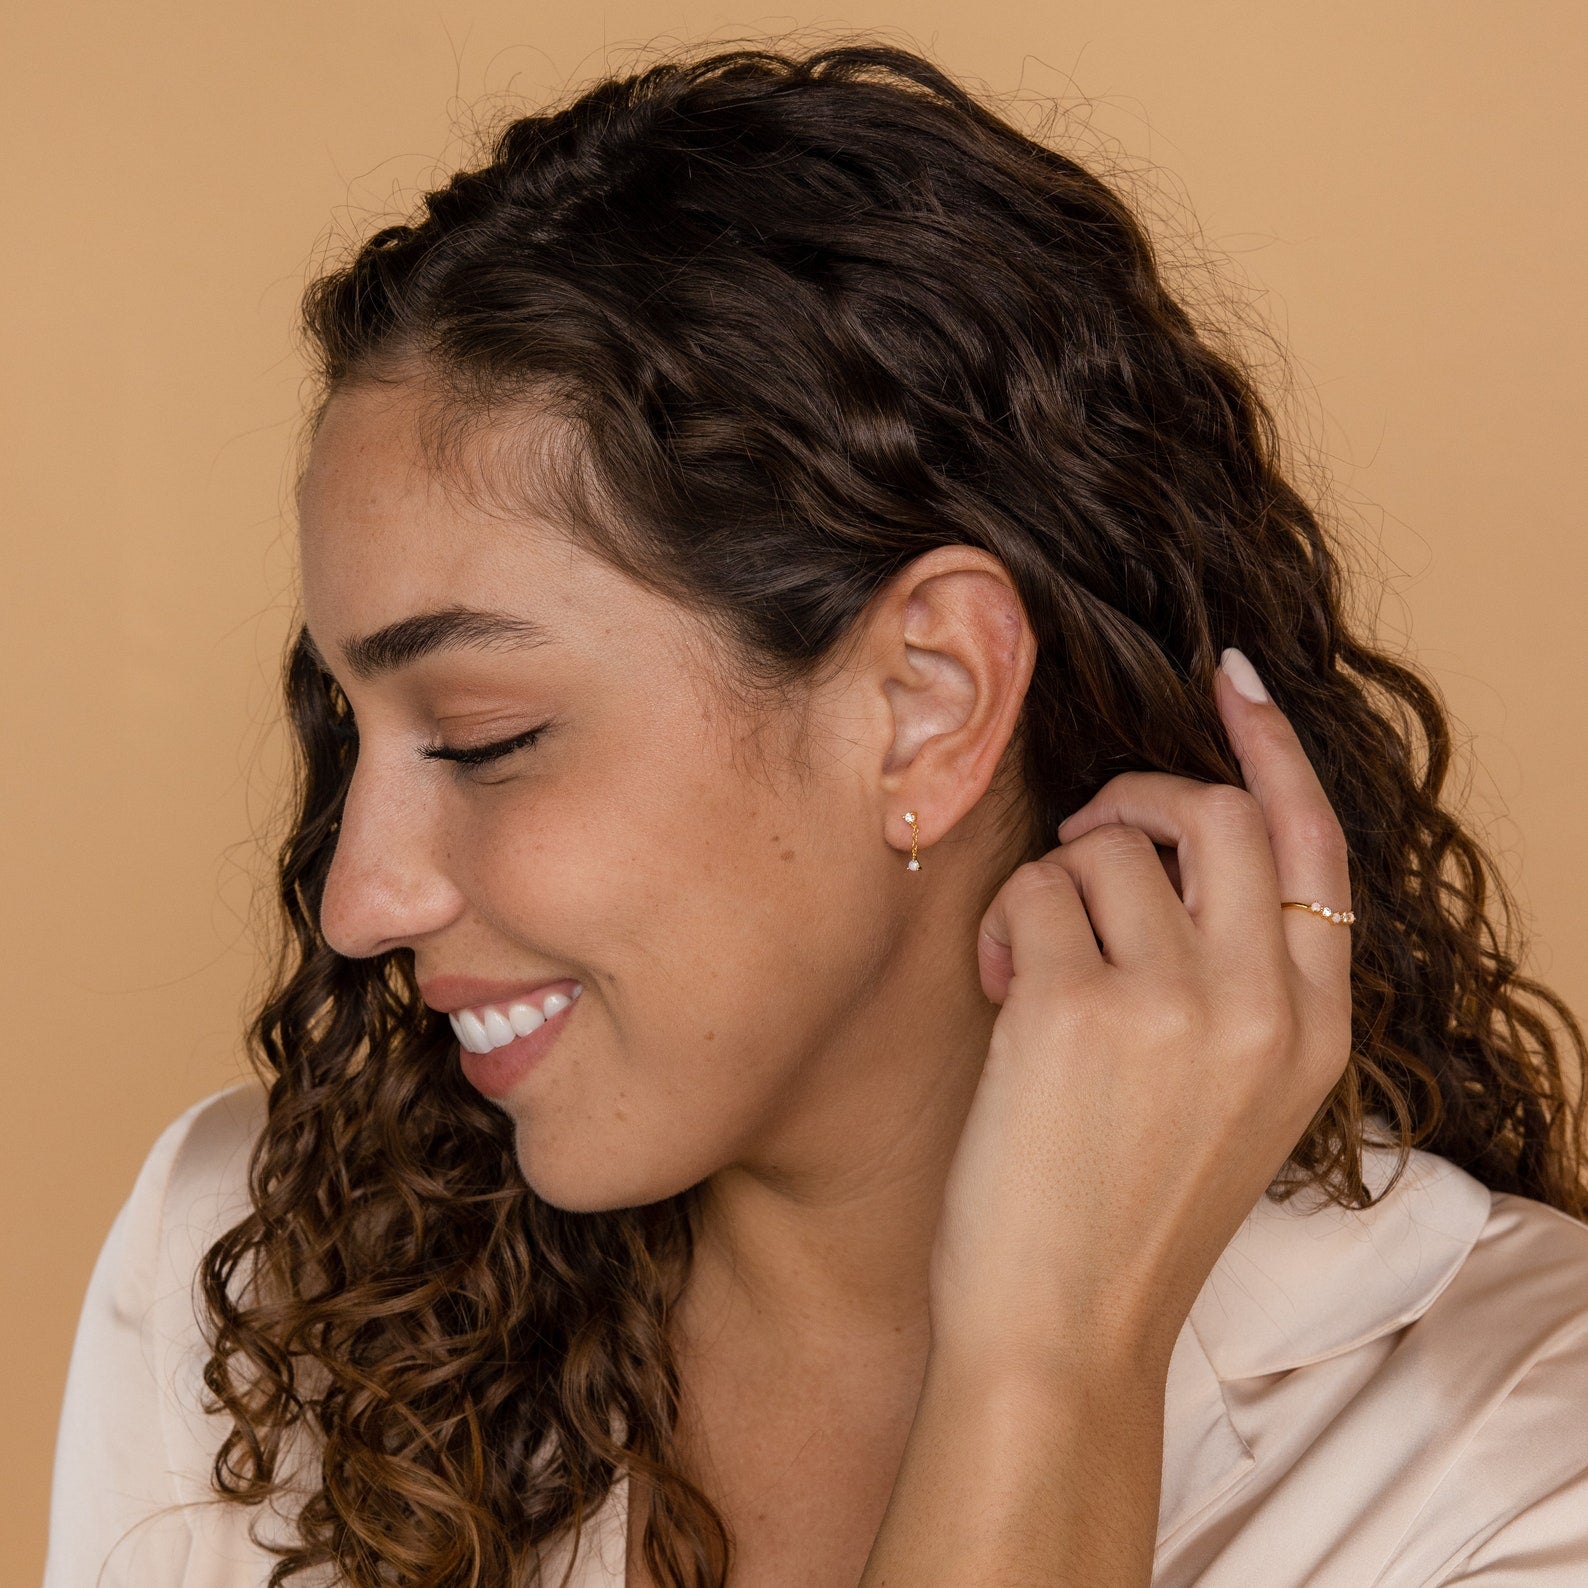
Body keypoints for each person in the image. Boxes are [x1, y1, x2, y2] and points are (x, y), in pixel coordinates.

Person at [43, 37, 1588, 1588]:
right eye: (346, 728)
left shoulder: (1519, 1457)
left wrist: (1047, 1357)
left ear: (926, 701)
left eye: (481, 735)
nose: (358, 900)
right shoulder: (257, 1277)